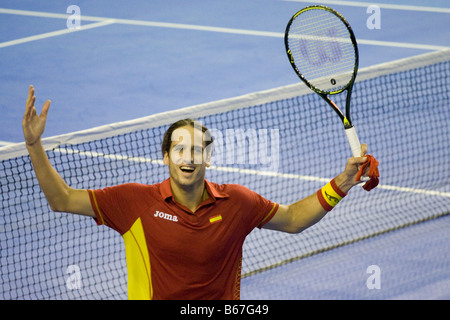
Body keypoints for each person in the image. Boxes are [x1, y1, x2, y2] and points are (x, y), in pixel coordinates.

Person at [23, 85, 374, 300]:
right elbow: (62, 199)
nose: (188, 158)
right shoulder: (133, 202)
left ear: (207, 157)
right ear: (166, 157)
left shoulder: (237, 202)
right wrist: (34, 144)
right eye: (180, 149)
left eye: (196, 150)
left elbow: (295, 219)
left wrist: (342, 183)